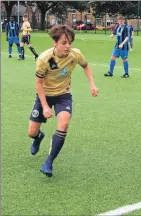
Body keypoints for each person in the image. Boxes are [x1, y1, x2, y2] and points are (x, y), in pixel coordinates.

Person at [28, 24, 98, 177]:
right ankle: (38, 137)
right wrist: (45, 106)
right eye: (64, 43)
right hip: (44, 96)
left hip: (63, 95)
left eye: (70, 43)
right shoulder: (44, 59)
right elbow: (38, 84)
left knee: (64, 124)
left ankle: (49, 162)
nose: (68, 47)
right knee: (31, 132)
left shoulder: (75, 54)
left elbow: (86, 66)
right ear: (55, 43)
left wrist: (92, 84)